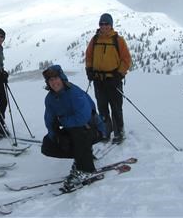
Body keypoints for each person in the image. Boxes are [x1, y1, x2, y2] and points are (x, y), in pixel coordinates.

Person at [40, 65, 106, 191]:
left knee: (78, 132)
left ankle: (86, 169)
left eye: (56, 78)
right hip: (74, 129)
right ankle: (82, 156)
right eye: (50, 80)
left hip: (93, 129)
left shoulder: (74, 93)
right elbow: (49, 119)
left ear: (62, 78)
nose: (54, 82)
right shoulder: (50, 99)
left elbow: (83, 118)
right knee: (48, 144)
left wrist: (63, 121)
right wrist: (56, 135)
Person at [85, 13, 132, 144]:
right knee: (102, 107)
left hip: (113, 80)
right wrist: (89, 70)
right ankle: (106, 131)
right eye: (101, 24)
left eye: (106, 24)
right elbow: (88, 56)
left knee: (116, 108)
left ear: (111, 25)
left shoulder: (118, 40)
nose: (104, 26)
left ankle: (119, 132)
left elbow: (126, 59)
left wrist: (119, 74)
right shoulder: (95, 40)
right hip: (99, 80)